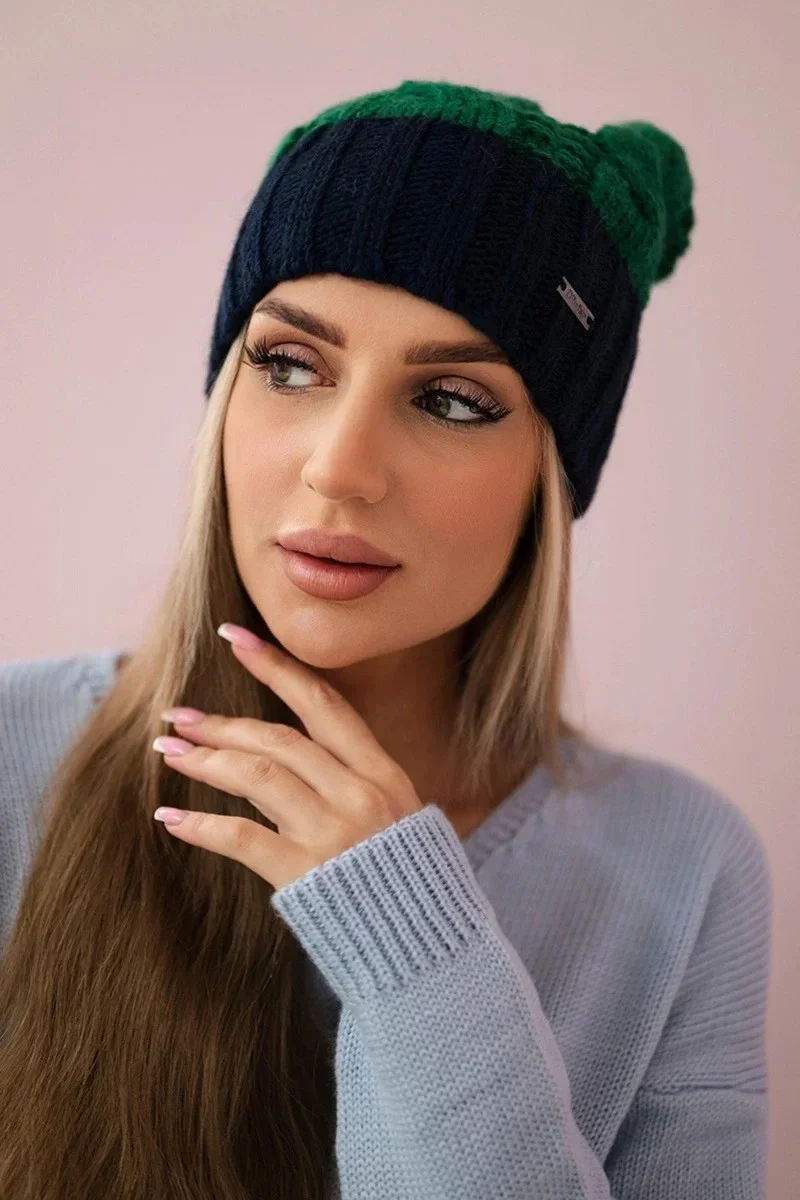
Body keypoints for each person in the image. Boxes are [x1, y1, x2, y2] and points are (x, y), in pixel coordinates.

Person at [0, 79, 771, 1199]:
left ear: (550, 481)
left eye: (451, 399)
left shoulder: (680, 867)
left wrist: (412, 941)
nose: (339, 467)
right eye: (288, 365)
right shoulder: (14, 752)